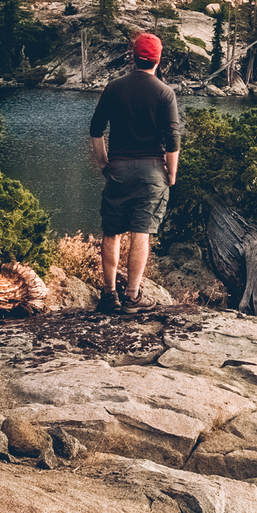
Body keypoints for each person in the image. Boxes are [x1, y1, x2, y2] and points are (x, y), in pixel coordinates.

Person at [87, 31, 180, 312]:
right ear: (158, 59)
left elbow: (95, 129)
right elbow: (173, 139)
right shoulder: (165, 93)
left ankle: (109, 295)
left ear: (133, 57)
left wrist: (104, 163)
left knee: (112, 232)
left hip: (118, 168)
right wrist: (171, 175)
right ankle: (132, 296)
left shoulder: (114, 88)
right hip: (153, 172)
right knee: (142, 232)